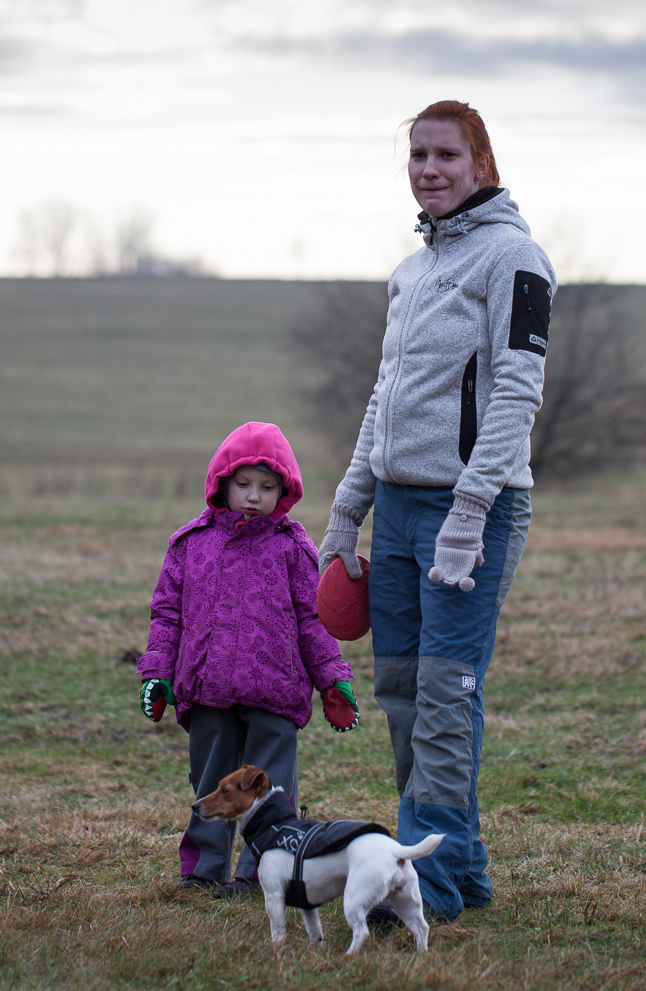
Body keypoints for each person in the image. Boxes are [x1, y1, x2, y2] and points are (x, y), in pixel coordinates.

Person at [318, 101, 556, 921]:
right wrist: (349, 509)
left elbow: (518, 392)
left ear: (480, 164)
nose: (429, 169)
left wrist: (469, 507)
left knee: (446, 692)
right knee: (402, 691)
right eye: (417, 155)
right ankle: (464, 870)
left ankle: (433, 887)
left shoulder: (515, 259)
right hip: (394, 508)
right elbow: (384, 399)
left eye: (446, 155)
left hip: (472, 515)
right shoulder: (409, 273)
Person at [136, 421, 358, 896]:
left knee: (270, 786)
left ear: (285, 490)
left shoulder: (294, 549)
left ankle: (261, 873)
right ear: (221, 483)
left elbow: (311, 619)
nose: (254, 496)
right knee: (211, 783)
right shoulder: (189, 544)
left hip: (275, 689)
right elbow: (167, 615)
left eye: (267, 486)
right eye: (243, 485)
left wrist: (332, 680)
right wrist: (156, 674)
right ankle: (201, 870)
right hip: (207, 685)